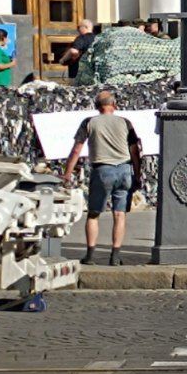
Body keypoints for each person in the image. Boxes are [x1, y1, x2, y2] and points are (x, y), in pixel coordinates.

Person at [62, 90, 141, 266]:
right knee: (119, 215)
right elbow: (135, 151)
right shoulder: (125, 122)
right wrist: (138, 174)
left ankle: (90, 256)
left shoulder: (89, 122)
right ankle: (115, 256)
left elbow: (77, 149)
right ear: (114, 105)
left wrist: (67, 173)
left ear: (97, 106)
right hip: (124, 170)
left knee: (93, 214)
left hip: (102, 171)